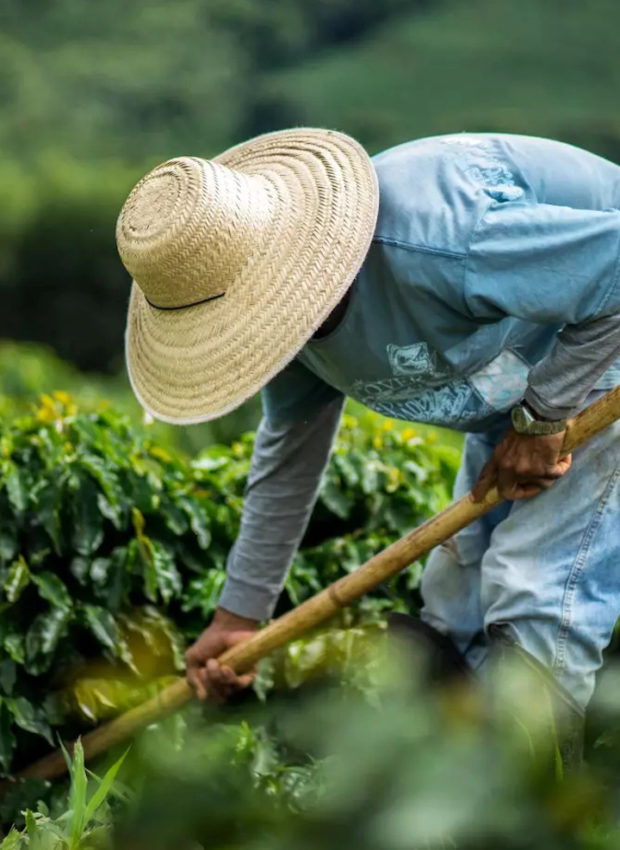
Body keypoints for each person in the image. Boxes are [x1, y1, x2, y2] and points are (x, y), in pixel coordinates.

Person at [115, 128, 620, 752]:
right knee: (453, 604)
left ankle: (534, 808)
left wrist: (544, 420)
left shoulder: (437, 242)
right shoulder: (292, 335)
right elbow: (289, 458)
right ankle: (454, 802)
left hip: (597, 367)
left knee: (533, 595)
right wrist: (238, 616)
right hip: (513, 401)